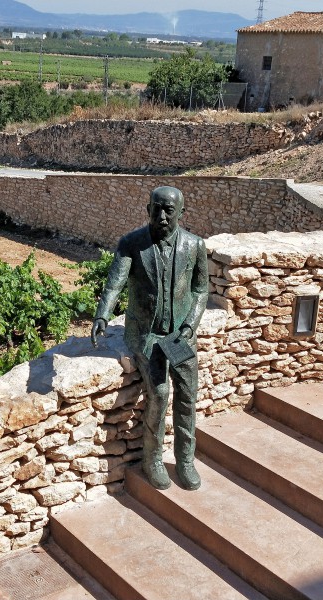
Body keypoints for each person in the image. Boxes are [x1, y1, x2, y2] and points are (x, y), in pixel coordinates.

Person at [91, 186, 208, 490]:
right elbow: (114, 283)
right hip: (146, 335)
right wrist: (103, 314)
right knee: (159, 394)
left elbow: (200, 290)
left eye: (170, 210)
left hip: (181, 336)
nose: (162, 215)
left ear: (182, 212)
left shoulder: (194, 246)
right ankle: (152, 459)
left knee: (188, 396)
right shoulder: (132, 244)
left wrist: (189, 326)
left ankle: (185, 460)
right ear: (147, 209)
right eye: (156, 208)